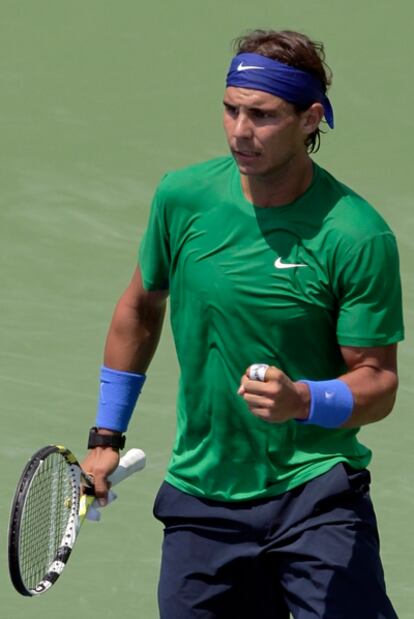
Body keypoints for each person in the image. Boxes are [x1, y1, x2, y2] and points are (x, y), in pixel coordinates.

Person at [82, 29, 404, 618]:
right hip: (201, 497)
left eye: (262, 115)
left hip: (316, 495)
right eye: (230, 109)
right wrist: (106, 436)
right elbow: (140, 308)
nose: (239, 131)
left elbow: (378, 380)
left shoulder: (357, 235)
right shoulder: (182, 198)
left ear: (311, 119)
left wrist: (301, 399)